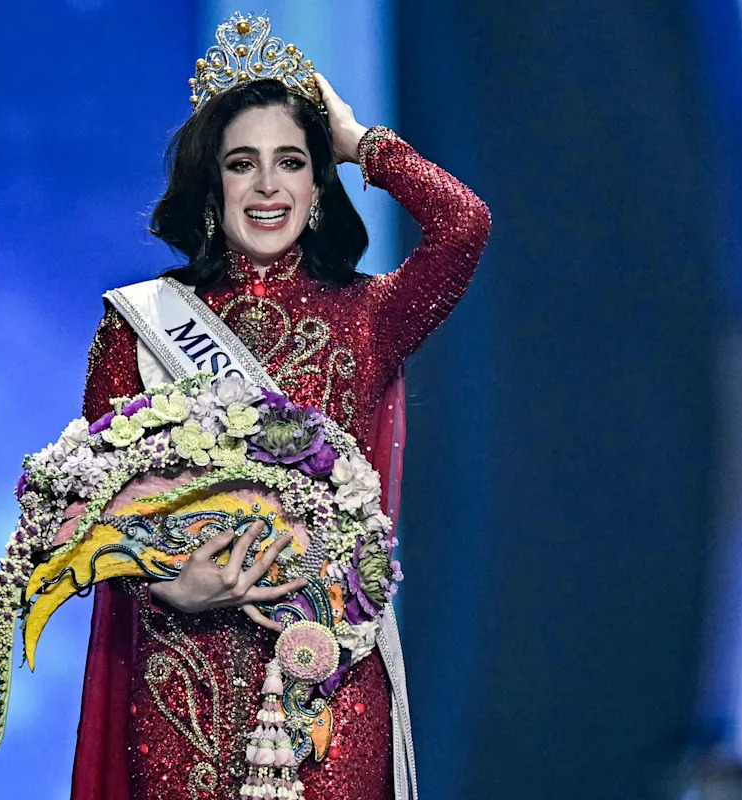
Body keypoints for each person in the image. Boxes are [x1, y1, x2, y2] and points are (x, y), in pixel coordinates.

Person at [73, 15, 490, 800]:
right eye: (242, 163)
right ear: (211, 183)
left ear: (317, 182)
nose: (268, 186)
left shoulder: (371, 316)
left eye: (292, 162)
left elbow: (464, 225)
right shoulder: (139, 326)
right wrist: (164, 584)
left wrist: (363, 141)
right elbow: (94, 505)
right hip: (183, 679)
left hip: (326, 683)